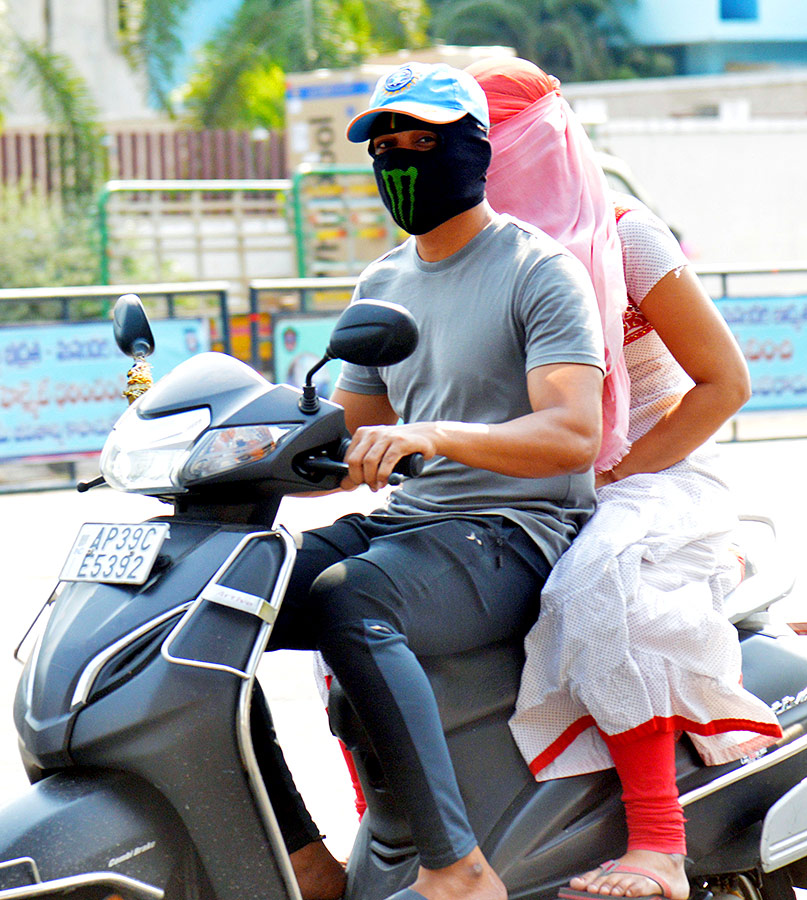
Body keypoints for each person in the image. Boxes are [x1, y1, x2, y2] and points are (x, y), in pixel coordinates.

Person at [256, 62, 607, 900]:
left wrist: (433, 435)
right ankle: (305, 857)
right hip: (415, 526)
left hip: (519, 533)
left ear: (474, 151)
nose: (400, 160)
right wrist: (241, 456)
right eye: (384, 146)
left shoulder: (538, 270)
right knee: (217, 601)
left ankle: (457, 869)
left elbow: (572, 433)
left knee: (351, 598)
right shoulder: (382, 282)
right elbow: (345, 442)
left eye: (422, 141)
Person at [463, 57, 783, 900]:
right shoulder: (455, 250)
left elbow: (726, 384)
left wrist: (620, 468)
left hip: (650, 468)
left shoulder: (622, 233)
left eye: (486, 141)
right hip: (526, 475)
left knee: (596, 585)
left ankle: (660, 846)